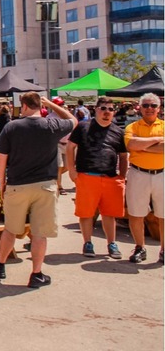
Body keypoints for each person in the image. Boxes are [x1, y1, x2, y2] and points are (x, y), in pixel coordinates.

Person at [0, 93, 76, 288]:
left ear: (24, 106)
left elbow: (1, 158)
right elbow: (73, 120)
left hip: (17, 185)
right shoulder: (51, 126)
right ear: (40, 105)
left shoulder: (12, 127)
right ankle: (36, 274)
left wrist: (1, 183)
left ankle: (0, 265)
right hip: (45, 185)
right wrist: (52, 104)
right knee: (39, 233)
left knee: (10, 229)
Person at [66, 96, 128, 259]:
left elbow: (123, 155)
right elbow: (70, 147)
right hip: (87, 176)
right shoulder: (83, 127)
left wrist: (122, 176)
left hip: (110, 178)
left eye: (110, 109)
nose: (107, 112)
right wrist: (71, 170)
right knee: (86, 213)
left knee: (109, 214)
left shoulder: (118, 131)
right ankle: (87, 243)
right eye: (103, 108)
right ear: (96, 110)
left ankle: (111, 243)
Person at [124, 93, 164, 264]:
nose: (149, 108)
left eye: (153, 105)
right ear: (139, 107)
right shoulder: (132, 126)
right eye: (146, 105)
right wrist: (156, 140)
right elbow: (131, 145)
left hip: (161, 174)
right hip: (138, 173)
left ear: (159, 108)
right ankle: (140, 247)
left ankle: (163, 250)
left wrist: (142, 146)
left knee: (163, 214)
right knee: (135, 213)